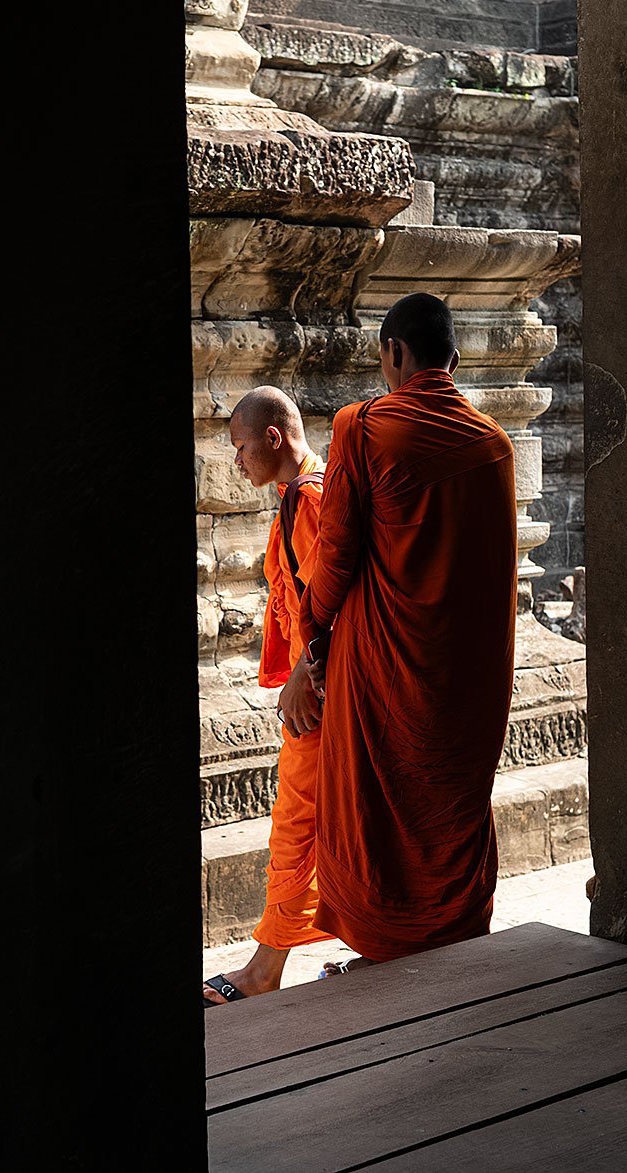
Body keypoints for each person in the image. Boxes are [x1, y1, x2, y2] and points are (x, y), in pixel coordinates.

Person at [296, 292, 518, 965]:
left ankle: (389, 945)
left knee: (381, 811)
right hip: (465, 675)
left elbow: (334, 557)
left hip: (384, 671)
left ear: (393, 353)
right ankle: (447, 938)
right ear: (453, 356)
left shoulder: (362, 429)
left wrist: (308, 629)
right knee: (448, 802)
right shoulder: (495, 445)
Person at [203, 385, 338, 1006]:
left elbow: (333, 603)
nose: (236, 461)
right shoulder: (302, 495)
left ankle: (264, 970)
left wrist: (302, 677)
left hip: (319, 696)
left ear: (273, 438)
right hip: (321, 689)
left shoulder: (309, 500)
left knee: (297, 825)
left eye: (239, 447)